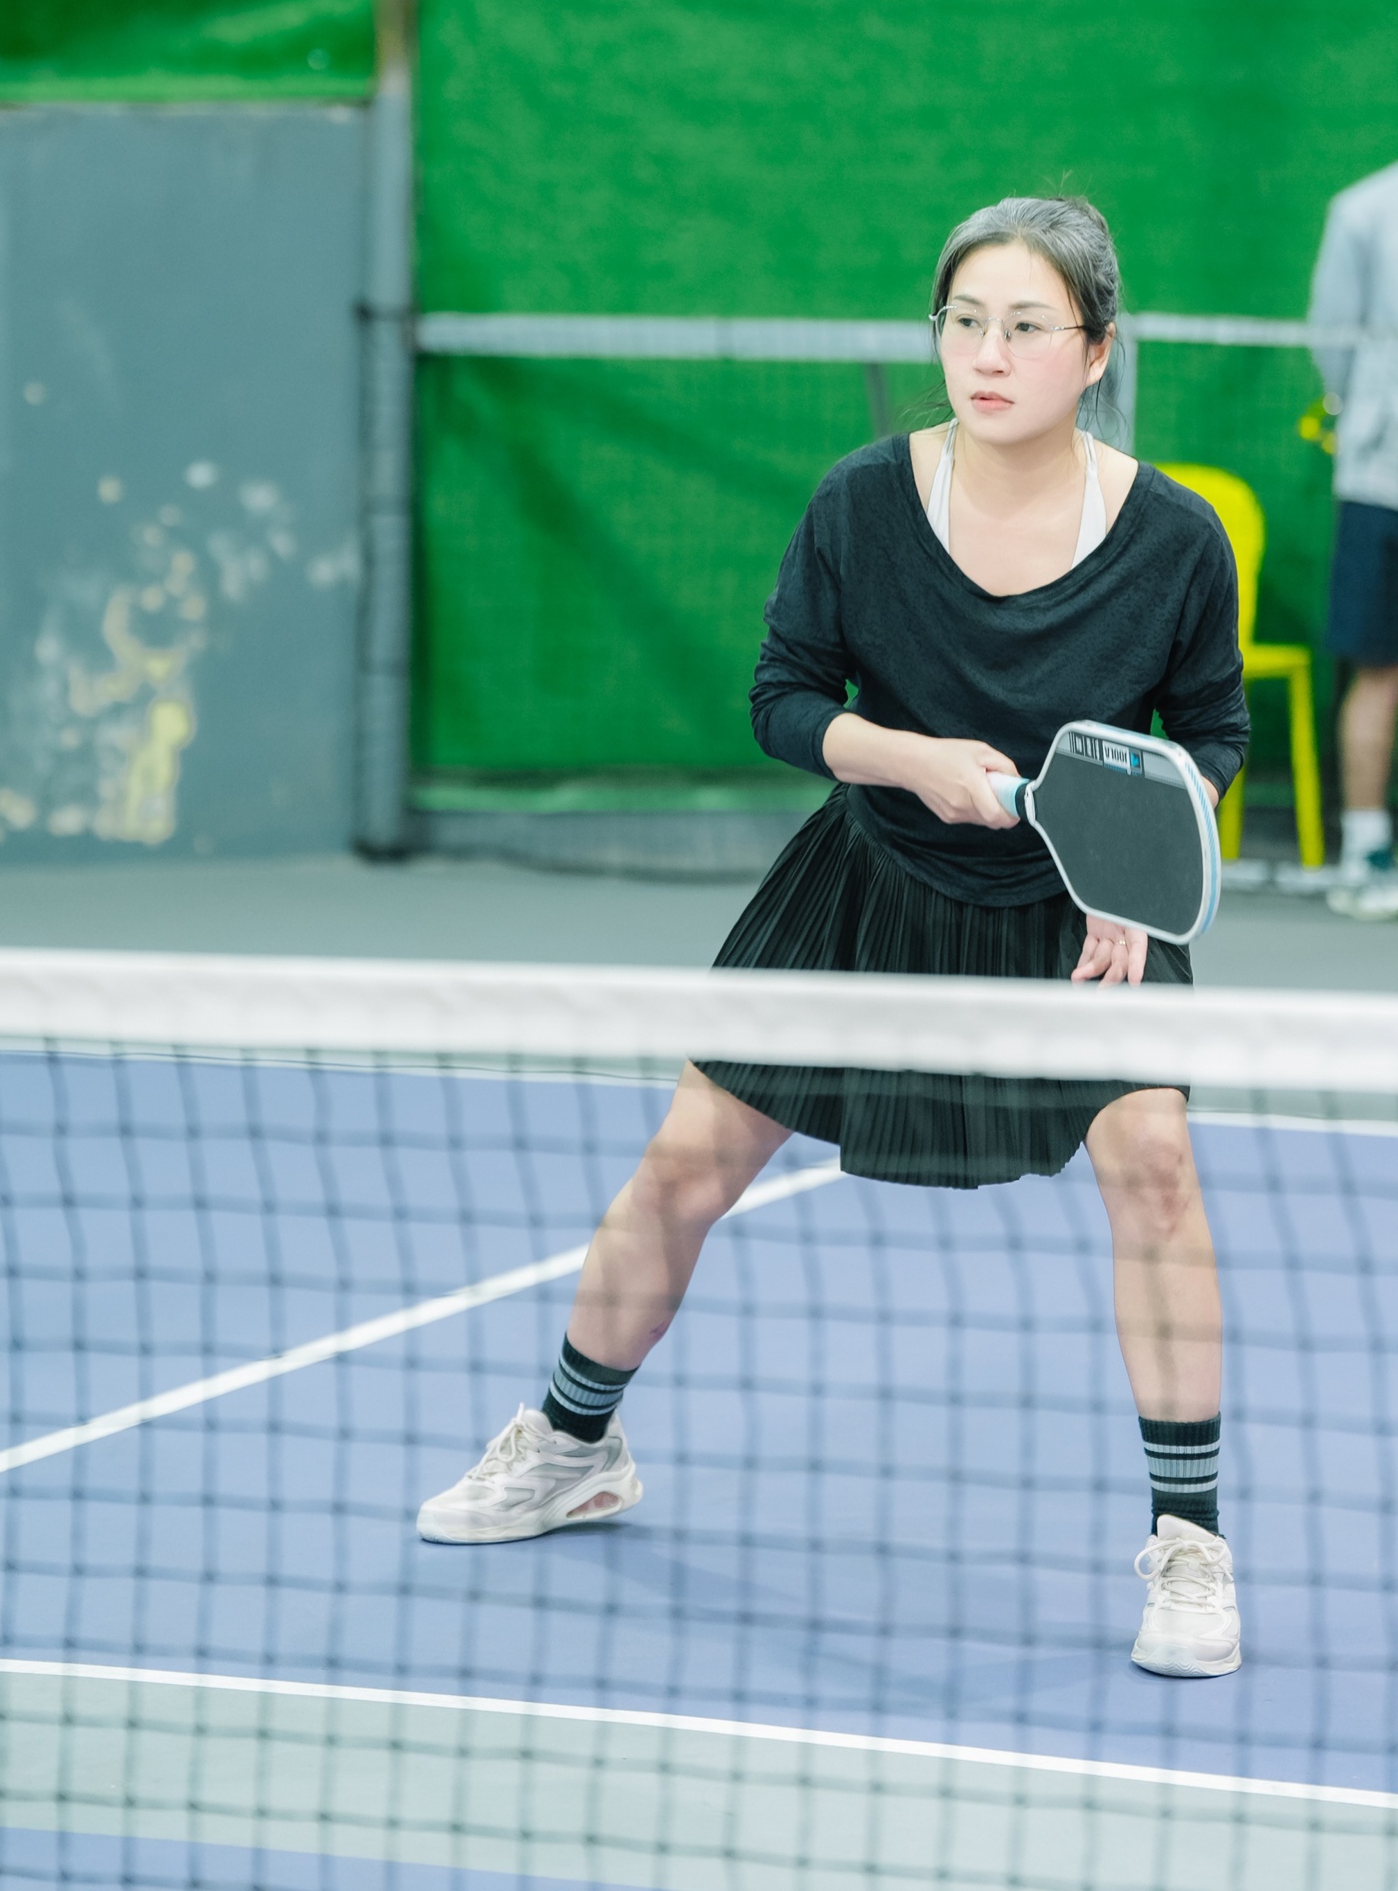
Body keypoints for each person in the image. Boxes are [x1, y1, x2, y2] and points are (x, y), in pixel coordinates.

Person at [418, 197, 1250, 1682]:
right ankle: (571, 1443)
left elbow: (1210, 735)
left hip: (1082, 914)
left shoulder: (1174, 538)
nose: (985, 355)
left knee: (1156, 1171)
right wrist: (908, 759)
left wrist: (1130, 870)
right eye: (962, 322)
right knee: (685, 1165)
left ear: (1094, 351)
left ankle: (1188, 1542)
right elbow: (783, 698)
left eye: (1025, 328)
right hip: (865, 882)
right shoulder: (861, 502)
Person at [1310, 161, 1398, 922]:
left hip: (1375, 470)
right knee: (1378, 668)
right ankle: (1365, 848)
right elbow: (1333, 339)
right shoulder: (1364, 210)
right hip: (1380, 479)